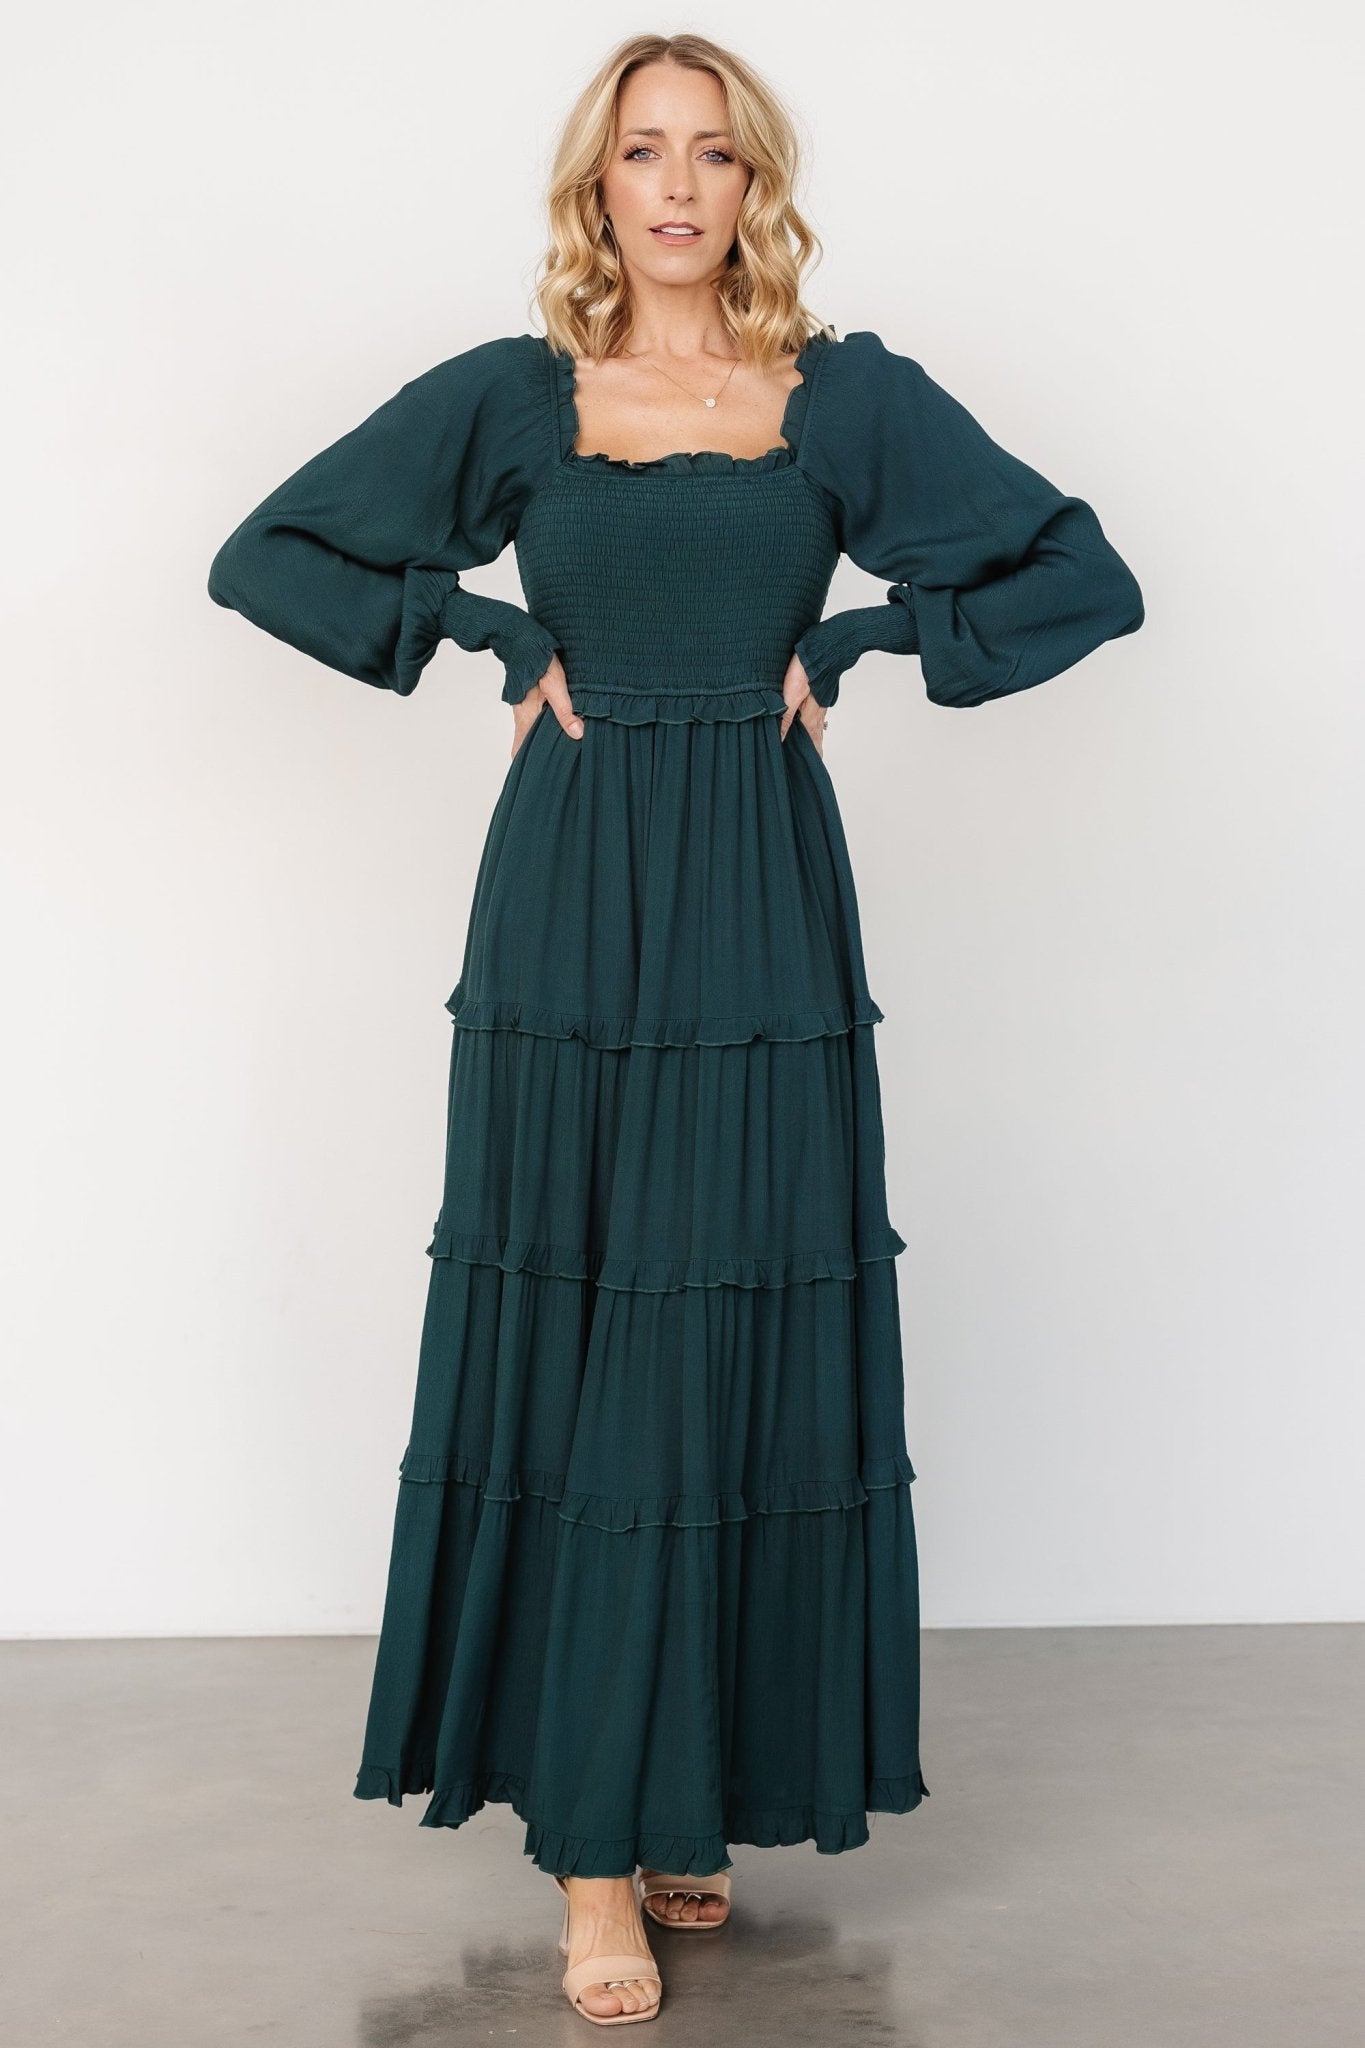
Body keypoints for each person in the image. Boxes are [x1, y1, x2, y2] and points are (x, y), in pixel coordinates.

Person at [206, 30, 1143, 2032]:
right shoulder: (517, 395)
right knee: (587, 1317)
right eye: (642, 152)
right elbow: (262, 555)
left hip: (760, 895)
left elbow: (1086, 578)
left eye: (713, 154)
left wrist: (868, 636)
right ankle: (591, 1854)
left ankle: (679, 1786)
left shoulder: (840, 398)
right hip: (568, 895)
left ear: (754, 184)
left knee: (726, 1315)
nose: (677, 187)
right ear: (595, 184)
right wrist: (483, 631)